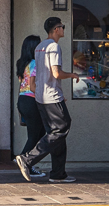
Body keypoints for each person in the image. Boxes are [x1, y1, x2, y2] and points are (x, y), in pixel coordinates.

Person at [15, 17, 79, 184]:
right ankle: (28, 159)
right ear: (56, 29)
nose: (64, 29)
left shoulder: (39, 47)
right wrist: (72, 75)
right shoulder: (53, 46)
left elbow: (38, 76)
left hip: (40, 97)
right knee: (61, 129)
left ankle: (58, 173)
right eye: (62, 27)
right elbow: (56, 73)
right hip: (52, 96)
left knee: (56, 132)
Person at [15, 35, 47, 180]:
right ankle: (26, 161)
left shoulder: (21, 63)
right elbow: (33, 86)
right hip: (32, 100)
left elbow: (22, 84)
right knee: (36, 135)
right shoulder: (34, 63)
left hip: (22, 100)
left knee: (38, 133)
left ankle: (26, 160)